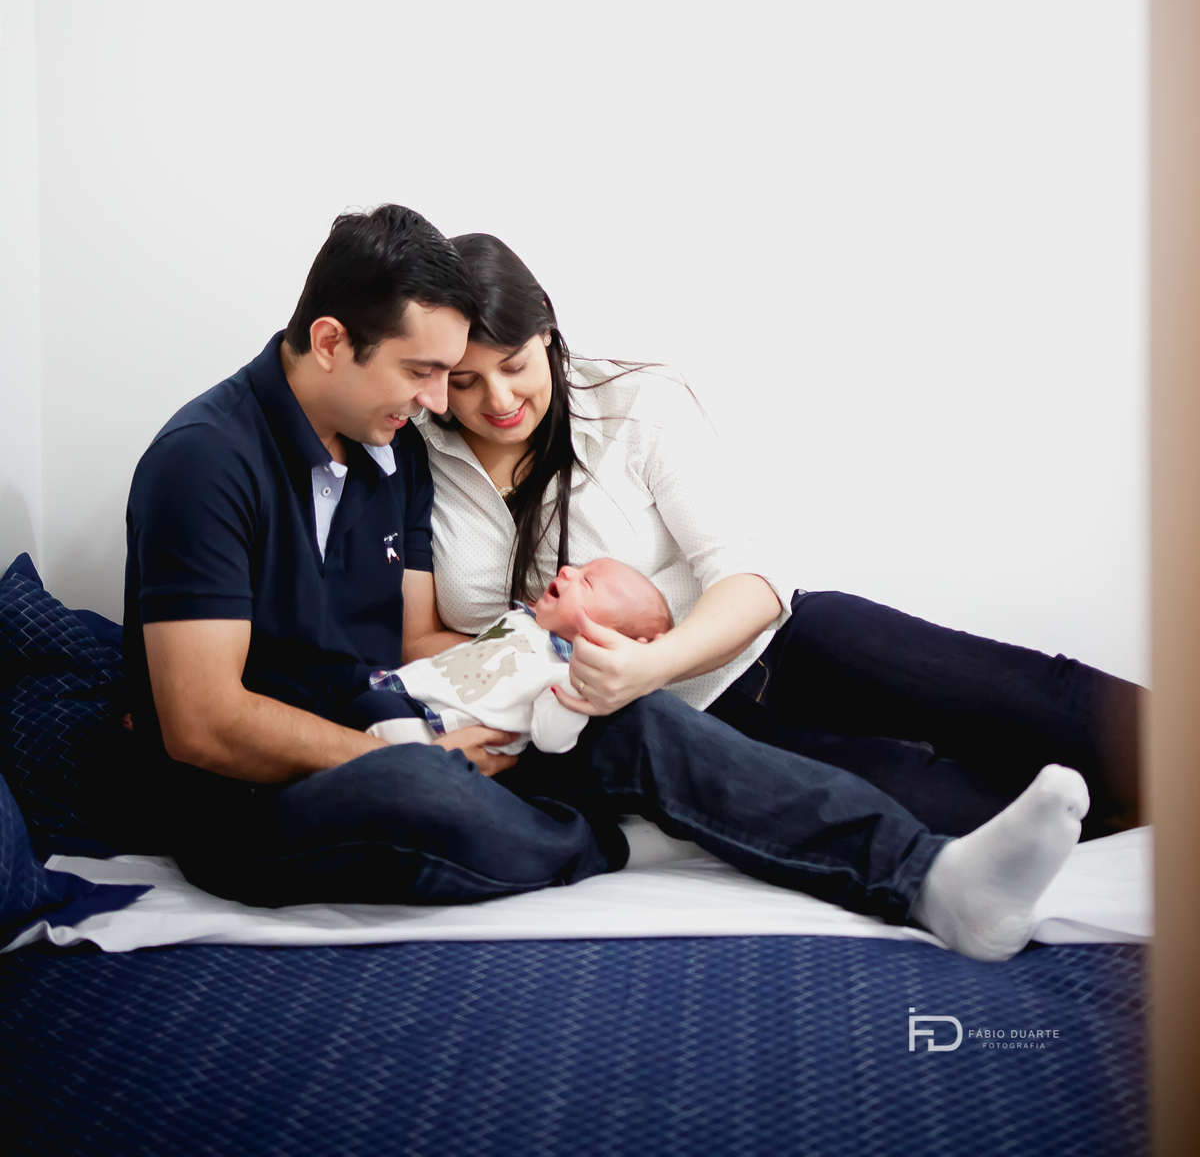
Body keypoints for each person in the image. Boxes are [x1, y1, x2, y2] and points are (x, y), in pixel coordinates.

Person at [122, 202, 1092, 961]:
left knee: (630, 718)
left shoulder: (389, 449)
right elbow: (202, 723)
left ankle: (933, 882)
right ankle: (623, 838)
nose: (439, 401)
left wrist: (525, 687)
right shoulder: (206, 462)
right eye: (426, 373)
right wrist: (426, 753)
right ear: (333, 341)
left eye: (451, 373)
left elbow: (408, 644)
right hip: (263, 797)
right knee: (425, 795)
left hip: (416, 718)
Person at [417, 233, 1144, 842]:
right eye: (465, 382)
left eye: (514, 366)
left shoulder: (634, 403)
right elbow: (420, 639)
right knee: (944, 806)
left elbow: (747, 574)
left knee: (1027, 699)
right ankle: (1117, 826)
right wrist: (541, 664)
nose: (498, 401)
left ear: (546, 327)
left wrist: (653, 662)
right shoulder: (415, 461)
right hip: (691, 728)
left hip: (788, 641)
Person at [366, 557, 673, 755]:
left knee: (382, 736)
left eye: (587, 582)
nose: (567, 570)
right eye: (579, 568)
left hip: (436, 727)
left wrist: (579, 687)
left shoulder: (567, 675)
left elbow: (551, 739)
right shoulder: (524, 619)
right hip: (402, 686)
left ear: (607, 640)